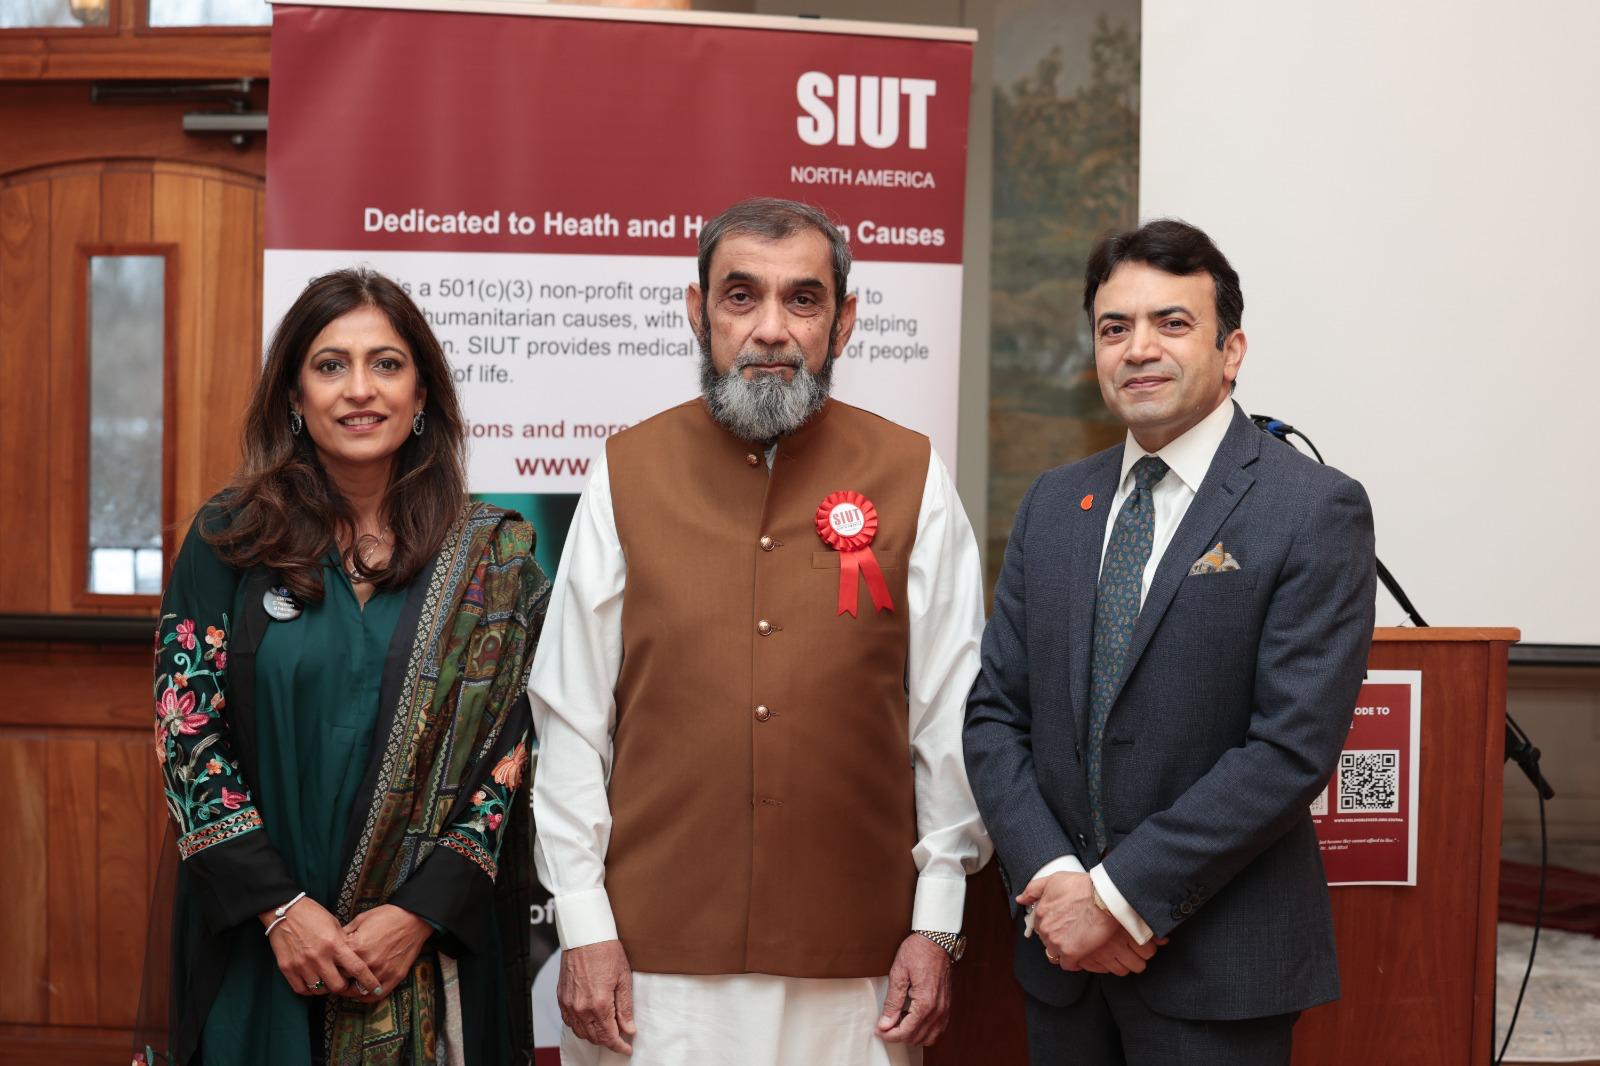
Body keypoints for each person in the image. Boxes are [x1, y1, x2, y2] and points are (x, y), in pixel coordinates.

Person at [529, 197, 991, 1066]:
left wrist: (937, 922)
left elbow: (951, 720)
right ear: (698, 311)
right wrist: (583, 924)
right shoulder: (625, 472)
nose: (771, 328)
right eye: (741, 296)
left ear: (843, 321)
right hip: (650, 969)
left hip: (857, 971)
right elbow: (571, 719)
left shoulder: (914, 476)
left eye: (803, 299)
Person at [964, 219, 1377, 1064]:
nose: (1139, 349)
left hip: (1216, 973)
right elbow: (995, 715)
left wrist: (1116, 899)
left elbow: (1289, 749)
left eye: (1172, 323)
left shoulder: (1312, 508)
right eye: (1115, 327)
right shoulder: (1053, 504)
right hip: (1062, 964)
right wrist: (1057, 883)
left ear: (1232, 352)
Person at [143, 268, 549, 1065]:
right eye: (331, 365)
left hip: (424, 954)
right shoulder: (230, 540)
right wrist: (280, 908)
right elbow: (185, 736)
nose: (360, 389)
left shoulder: (492, 559)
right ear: (295, 396)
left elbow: (512, 754)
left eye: (386, 364)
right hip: (261, 942)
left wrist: (418, 914)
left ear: (422, 393)